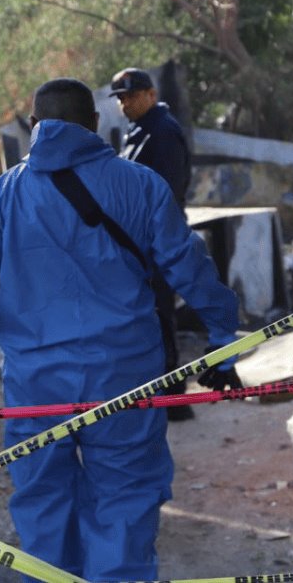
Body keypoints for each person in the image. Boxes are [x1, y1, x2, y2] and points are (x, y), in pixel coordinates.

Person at [0, 77, 239, 582]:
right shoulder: (140, 185)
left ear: (35, 127)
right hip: (126, 377)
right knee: (125, 498)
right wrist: (223, 339)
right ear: (95, 123)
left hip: (37, 384)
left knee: (44, 501)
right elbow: (191, 268)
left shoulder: (5, 194)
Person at [108, 67, 196, 420]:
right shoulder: (139, 133)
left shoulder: (163, 133)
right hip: (139, 243)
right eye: (121, 98)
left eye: (131, 96)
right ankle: (155, 395)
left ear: (150, 94)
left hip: (158, 240)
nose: (125, 103)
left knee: (160, 317)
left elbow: (166, 194)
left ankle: (174, 400)